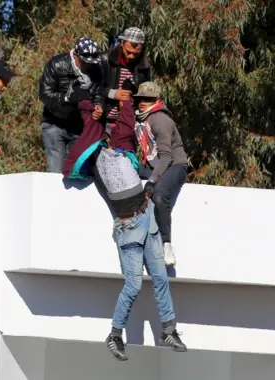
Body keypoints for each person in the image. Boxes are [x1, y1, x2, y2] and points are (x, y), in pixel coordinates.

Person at [62, 80, 187, 361]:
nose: (109, 130)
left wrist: (125, 100)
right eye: (105, 127)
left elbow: (128, 122)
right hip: (128, 227)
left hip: (147, 219)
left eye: (111, 127)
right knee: (133, 285)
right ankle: (115, 334)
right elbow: (89, 127)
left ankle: (169, 329)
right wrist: (94, 108)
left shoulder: (122, 148)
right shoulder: (94, 158)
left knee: (160, 278)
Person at [133, 82, 188, 266]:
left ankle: (166, 245)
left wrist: (151, 180)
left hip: (175, 165)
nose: (142, 102)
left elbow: (166, 158)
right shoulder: (143, 119)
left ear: (156, 100)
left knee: (159, 196)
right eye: (140, 98)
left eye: (147, 99)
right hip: (156, 165)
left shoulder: (160, 120)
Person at [38, 37, 105, 173]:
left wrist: (98, 106)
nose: (89, 66)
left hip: (79, 127)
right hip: (55, 124)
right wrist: (67, 98)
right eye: (85, 62)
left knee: (78, 171)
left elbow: (99, 93)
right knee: (55, 171)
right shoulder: (56, 64)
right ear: (75, 55)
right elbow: (44, 94)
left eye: (92, 63)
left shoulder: (96, 69)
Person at [99, 27, 152, 134]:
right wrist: (112, 94)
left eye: (136, 54)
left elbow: (145, 95)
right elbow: (91, 87)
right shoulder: (104, 60)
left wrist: (131, 103)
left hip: (128, 123)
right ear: (121, 43)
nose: (131, 56)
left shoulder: (144, 67)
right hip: (102, 122)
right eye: (128, 52)